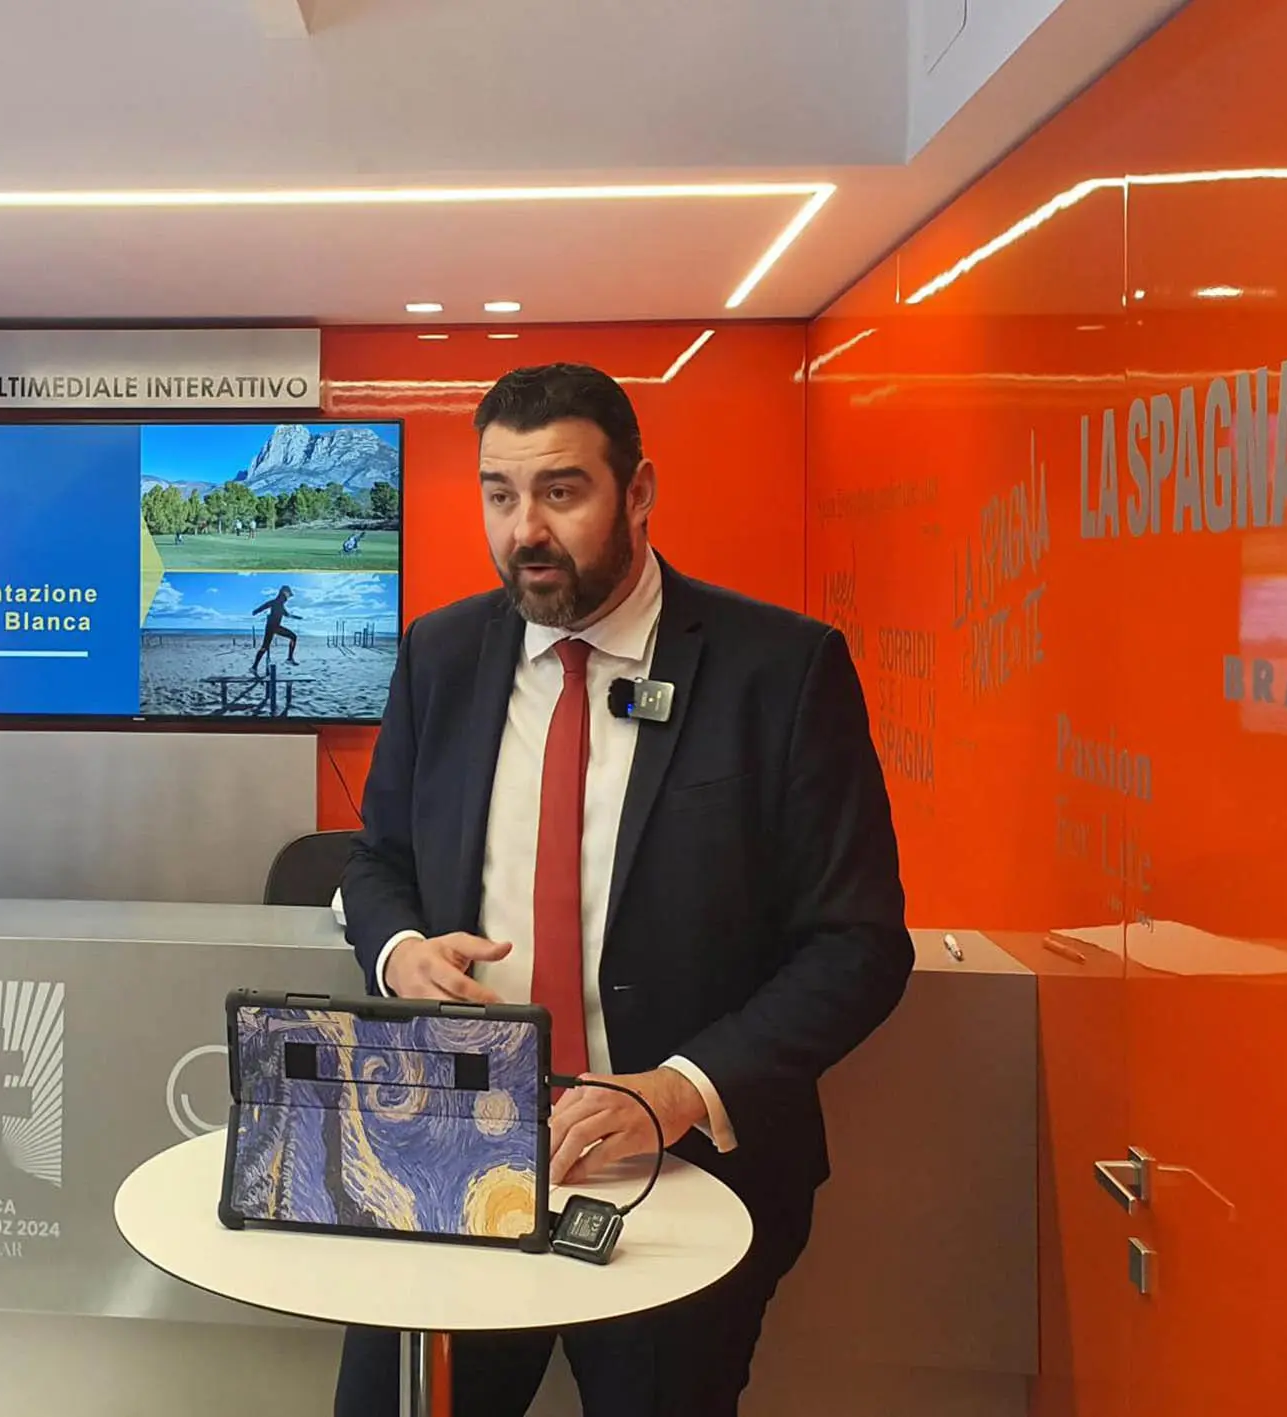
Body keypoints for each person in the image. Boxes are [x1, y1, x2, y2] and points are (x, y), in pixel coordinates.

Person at [337, 363, 912, 1417]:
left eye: (560, 491)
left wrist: (681, 1089)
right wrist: (400, 949)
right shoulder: (440, 654)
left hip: (680, 1174)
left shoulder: (778, 670)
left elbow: (859, 943)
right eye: (499, 494)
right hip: (454, 1146)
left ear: (638, 491)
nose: (524, 530)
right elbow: (376, 861)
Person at [250, 584, 300, 673]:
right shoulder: (277, 602)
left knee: (264, 647)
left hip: (271, 627)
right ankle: (289, 658)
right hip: (274, 627)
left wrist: (296, 617)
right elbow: (266, 605)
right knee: (293, 637)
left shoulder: (280, 604)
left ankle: (254, 667)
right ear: (284, 592)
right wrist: (256, 611)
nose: (289, 596)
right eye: (289, 594)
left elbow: (286, 614)